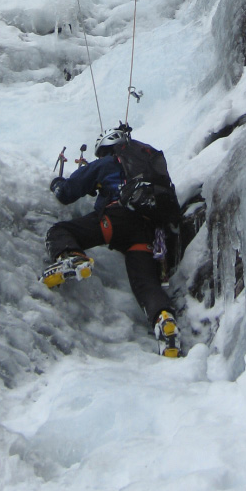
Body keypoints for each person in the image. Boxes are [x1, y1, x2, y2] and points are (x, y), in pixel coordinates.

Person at [43, 127, 181, 357]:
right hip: (146, 232)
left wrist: (56, 183)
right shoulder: (147, 170)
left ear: (106, 148)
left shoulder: (107, 163)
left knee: (59, 231)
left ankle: (71, 256)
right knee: (146, 285)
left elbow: (67, 192)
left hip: (115, 220)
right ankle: (165, 321)